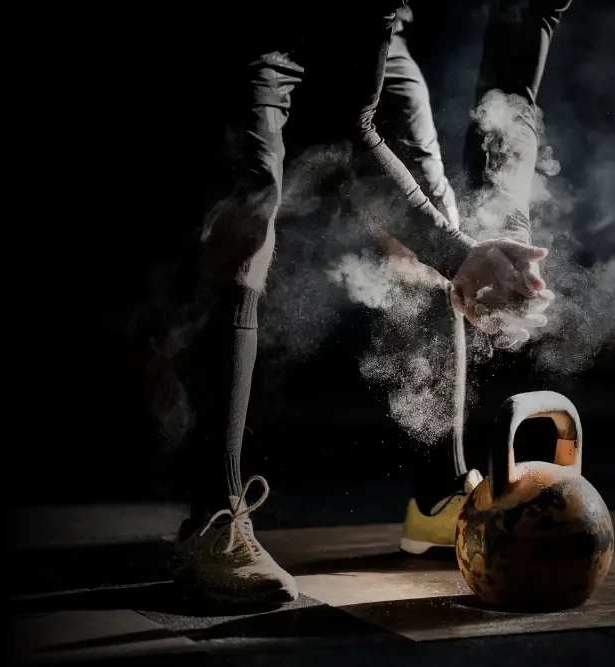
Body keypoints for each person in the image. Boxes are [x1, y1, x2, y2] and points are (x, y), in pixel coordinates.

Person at [172, 0, 572, 606]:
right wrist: (458, 252)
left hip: (356, 26)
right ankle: (213, 517)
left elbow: (510, 93)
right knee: (249, 206)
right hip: (248, 26)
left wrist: (499, 228)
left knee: (433, 208)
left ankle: (440, 495)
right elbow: (347, 137)